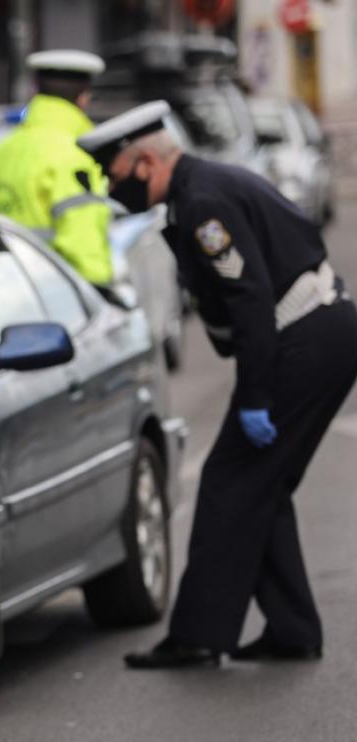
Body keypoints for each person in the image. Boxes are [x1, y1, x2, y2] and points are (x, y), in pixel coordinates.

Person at [76, 101, 357, 668]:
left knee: (231, 481)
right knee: (260, 485)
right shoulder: (198, 190)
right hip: (316, 331)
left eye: (115, 174)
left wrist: (254, 398)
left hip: (304, 336)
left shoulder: (203, 202)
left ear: (146, 162)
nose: (112, 187)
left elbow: (250, 299)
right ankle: (293, 629)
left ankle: (200, 635)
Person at [0, 49, 113, 289]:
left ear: (36, 91)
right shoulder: (75, 155)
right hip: (56, 299)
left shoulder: (0, 152)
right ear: (83, 98)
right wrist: (102, 292)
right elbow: (82, 240)